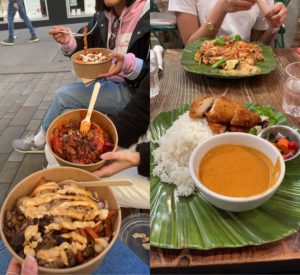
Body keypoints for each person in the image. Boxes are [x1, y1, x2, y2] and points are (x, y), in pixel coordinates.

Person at [12, 0, 149, 153]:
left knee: (62, 96)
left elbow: (160, 71)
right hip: (105, 80)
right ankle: (66, 145)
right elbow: (85, 42)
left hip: (136, 92)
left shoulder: (148, 14)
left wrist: (129, 64)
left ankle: (39, 141)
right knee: (72, 98)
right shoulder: (102, 17)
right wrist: (68, 42)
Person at [44, 74, 150, 209]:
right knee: (49, 151)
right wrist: (115, 140)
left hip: (166, 167)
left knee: (79, 182)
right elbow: (140, 111)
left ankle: (61, 203)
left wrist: (141, 158)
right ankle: (53, 184)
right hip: (149, 134)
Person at [169, 0, 288, 46]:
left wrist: (274, 26)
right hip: (200, 68)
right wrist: (221, 8)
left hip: (245, 67)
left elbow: (261, 47)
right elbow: (191, 47)